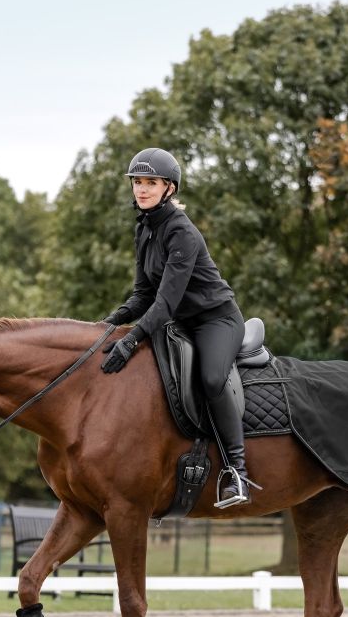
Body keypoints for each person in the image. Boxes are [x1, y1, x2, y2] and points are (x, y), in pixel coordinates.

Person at [101, 147, 253, 507]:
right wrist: (108, 324)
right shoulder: (144, 229)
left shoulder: (181, 232)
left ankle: (237, 471)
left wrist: (133, 339)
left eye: (150, 183)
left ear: (169, 188)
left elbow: (165, 302)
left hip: (216, 319)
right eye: (138, 182)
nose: (141, 189)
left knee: (212, 378)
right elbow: (142, 295)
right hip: (180, 324)